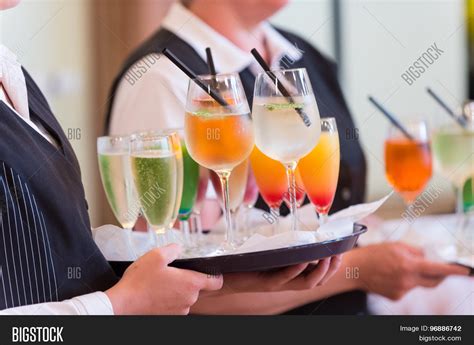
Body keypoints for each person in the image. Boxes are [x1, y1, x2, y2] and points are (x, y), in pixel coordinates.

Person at [107, 0, 470, 314]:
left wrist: (412, 242)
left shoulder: (305, 58)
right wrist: (360, 269)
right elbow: (175, 286)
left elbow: (335, 209)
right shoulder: (159, 79)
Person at [0, 0, 341, 315]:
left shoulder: (16, 75)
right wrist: (122, 305)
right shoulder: (157, 74)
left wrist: (223, 281)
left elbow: (59, 253)